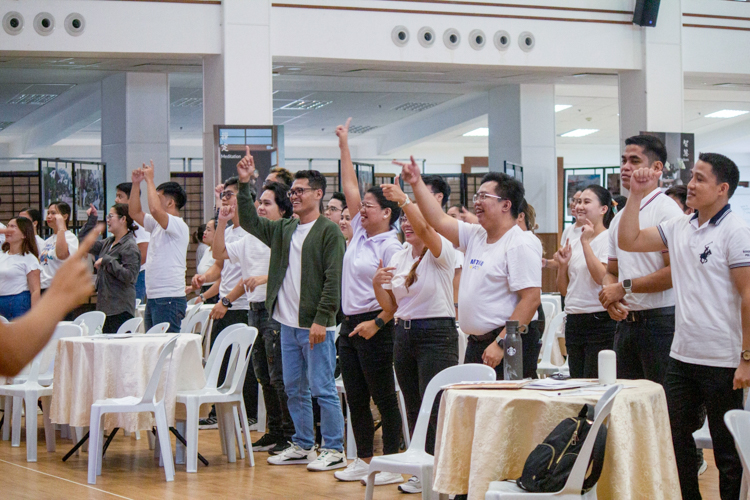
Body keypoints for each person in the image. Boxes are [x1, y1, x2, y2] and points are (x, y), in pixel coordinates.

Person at [619, 153, 750, 500]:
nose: (690, 184)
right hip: (681, 357)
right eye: (692, 176)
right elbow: (628, 240)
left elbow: (749, 294)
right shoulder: (681, 226)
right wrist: (635, 194)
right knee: (674, 441)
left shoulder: (736, 231)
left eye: (700, 179)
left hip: (723, 360)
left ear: (722, 189)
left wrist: (747, 357)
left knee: (727, 454)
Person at [235, 147, 347, 472]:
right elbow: (250, 222)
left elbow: (333, 279)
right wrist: (245, 185)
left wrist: (322, 319)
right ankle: (301, 443)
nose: (294, 195)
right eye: (292, 191)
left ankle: (334, 448)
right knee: (293, 387)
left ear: (318, 194)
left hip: (315, 326)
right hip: (285, 323)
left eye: (300, 191)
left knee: (322, 388)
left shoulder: (328, 232)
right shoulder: (284, 229)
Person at [400, 156, 541, 379]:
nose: (477, 202)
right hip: (478, 343)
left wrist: (501, 343)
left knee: (505, 411)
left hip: (507, 343)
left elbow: (531, 299)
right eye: (477, 195)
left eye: (485, 196)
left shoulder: (520, 242)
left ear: (506, 205)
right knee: (475, 409)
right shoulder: (476, 235)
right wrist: (416, 183)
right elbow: (437, 220)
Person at [372, 177, 458, 495]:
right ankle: (420, 467)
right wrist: (375, 283)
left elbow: (425, 231)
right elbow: (392, 306)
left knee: (434, 406)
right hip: (404, 334)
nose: (407, 224)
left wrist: (405, 199)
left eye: (411, 219)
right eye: (403, 220)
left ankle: (439, 472)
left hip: (436, 334)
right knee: (412, 405)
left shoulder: (441, 247)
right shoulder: (401, 255)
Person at [333, 119, 404, 486]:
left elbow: (394, 297)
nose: (362, 210)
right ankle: (364, 458)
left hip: (378, 322)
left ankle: (392, 461)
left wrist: (377, 322)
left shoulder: (392, 245)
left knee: (383, 396)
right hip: (349, 322)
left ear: (388, 213)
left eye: (370, 207)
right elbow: (349, 187)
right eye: (363, 206)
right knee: (356, 396)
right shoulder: (360, 232)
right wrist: (345, 145)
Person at [215, 181, 296, 454]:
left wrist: (265, 277)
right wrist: (221, 221)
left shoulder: (285, 235)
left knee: (279, 375)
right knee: (263, 374)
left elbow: (293, 272)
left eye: (267, 203)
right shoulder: (248, 237)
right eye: (259, 202)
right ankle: (274, 431)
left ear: (283, 210)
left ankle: (290, 434)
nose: (261, 207)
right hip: (254, 310)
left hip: (276, 309)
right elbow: (219, 254)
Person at [599, 135, 684, 385]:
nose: (626, 167)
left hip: (660, 322)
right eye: (623, 160)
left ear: (657, 168)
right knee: (626, 402)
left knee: (661, 403)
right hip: (626, 323)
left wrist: (623, 287)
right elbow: (611, 271)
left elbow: (673, 273)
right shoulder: (620, 217)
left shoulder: (666, 210)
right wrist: (609, 294)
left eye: (635, 161)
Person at [0, 228, 101, 376]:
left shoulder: (28, 258)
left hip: (17, 302)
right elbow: (11, 355)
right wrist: (59, 297)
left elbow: (10, 356)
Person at [555, 185, 616, 379]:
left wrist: (586, 244)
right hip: (574, 318)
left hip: (598, 320)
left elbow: (602, 277)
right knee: (577, 383)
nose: (579, 206)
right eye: (578, 201)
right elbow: (564, 290)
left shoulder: (609, 238)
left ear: (603, 209)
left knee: (594, 383)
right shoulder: (573, 241)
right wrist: (563, 265)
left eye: (587, 202)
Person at [128, 161, 189, 333]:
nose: (153, 200)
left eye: (158, 196)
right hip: (154, 296)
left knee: (165, 350)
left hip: (169, 297)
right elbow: (134, 213)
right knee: (153, 349)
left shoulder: (177, 224)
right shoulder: (156, 225)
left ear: (170, 203)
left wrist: (149, 180)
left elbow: (154, 210)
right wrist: (135, 184)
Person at [79, 203, 141, 333]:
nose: (107, 220)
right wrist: (92, 220)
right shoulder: (108, 242)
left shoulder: (129, 246)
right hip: (105, 307)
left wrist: (107, 260)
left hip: (120, 308)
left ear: (123, 219)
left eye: (111, 216)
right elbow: (84, 243)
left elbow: (130, 276)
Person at [516, 200, 545, 379]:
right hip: (525, 318)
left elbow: (531, 297)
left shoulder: (526, 239)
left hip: (527, 318)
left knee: (524, 378)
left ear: (520, 216)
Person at [115, 183, 150, 302]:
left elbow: (144, 251)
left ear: (131, 199)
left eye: (120, 196)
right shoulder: (122, 220)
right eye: (116, 196)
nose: (116, 200)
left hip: (137, 274)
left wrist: (127, 270)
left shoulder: (137, 222)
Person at [0, 217, 40, 320]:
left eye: (13, 227)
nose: (8, 230)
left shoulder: (29, 258)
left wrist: (35, 316)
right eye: (7, 226)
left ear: (24, 234)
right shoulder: (2, 255)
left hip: (17, 303)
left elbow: (35, 290)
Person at [39, 201, 79, 293]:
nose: (49, 216)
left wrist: (61, 228)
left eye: (53, 213)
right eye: (48, 213)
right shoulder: (47, 241)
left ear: (64, 217)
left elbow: (61, 255)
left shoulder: (70, 237)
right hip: (44, 287)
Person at [188, 220, 219, 304]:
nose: (204, 233)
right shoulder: (206, 250)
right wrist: (192, 287)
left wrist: (204, 296)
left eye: (208, 230)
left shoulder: (220, 253)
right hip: (205, 292)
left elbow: (221, 280)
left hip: (215, 295)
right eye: (205, 230)